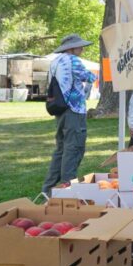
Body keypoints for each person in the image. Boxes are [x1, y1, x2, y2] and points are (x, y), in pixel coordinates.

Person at [42, 34, 96, 194]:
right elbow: (89, 76)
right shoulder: (73, 60)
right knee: (74, 148)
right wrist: (94, 76)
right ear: (71, 48)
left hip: (60, 109)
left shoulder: (55, 61)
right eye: (80, 46)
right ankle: (67, 188)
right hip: (74, 108)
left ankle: (48, 189)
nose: (82, 49)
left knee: (60, 149)